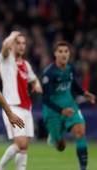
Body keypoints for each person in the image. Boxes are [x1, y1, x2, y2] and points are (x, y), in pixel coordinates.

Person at [42, 41, 95, 170]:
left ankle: (83, 168)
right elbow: (46, 99)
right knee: (61, 146)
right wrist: (61, 110)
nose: (63, 54)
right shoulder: (49, 73)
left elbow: (73, 82)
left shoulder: (70, 68)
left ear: (69, 53)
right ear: (55, 54)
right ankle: (55, 137)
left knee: (80, 132)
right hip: (53, 111)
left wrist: (84, 93)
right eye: (60, 51)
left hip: (70, 105)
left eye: (66, 51)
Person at [0, 31, 42, 170]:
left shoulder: (26, 64)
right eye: (18, 43)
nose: (21, 46)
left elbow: (33, 78)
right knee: (20, 142)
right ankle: (0, 166)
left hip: (27, 107)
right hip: (13, 107)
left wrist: (36, 84)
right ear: (12, 45)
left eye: (23, 43)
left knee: (24, 146)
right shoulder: (6, 60)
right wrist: (12, 36)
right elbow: (4, 47)